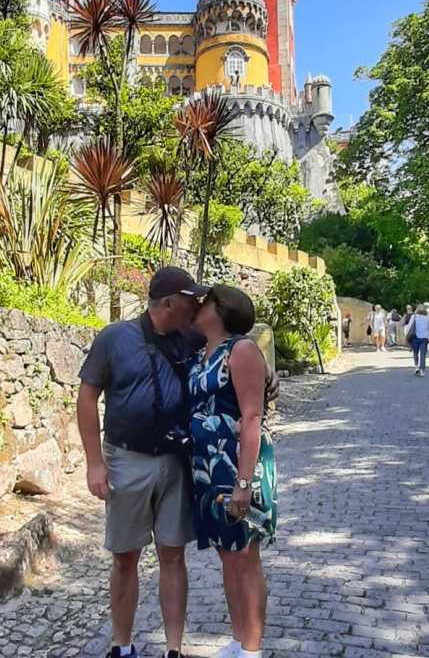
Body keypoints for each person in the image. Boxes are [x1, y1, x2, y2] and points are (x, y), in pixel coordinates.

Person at [77, 267, 210, 658]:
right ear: (169, 302)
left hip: (175, 462)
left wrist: (264, 374)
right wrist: (93, 463)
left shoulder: (192, 337)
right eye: (190, 299)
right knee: (125, 557)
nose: (197, 306)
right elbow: (87, 399)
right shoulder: (115, 338)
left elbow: (234, 346)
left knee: (172, 554)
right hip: (126, 460)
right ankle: (122, 646)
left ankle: (174, 649)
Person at [187, 285, 277, 658]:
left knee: (246, 557)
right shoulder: (200, 353)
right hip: (208, 469)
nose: (197, 306)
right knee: (227, 555)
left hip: (238, 465)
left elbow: (252, 415)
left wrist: (244, 484)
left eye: (204, 301)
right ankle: (239, 640)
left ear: (220, 309)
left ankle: (252, 650)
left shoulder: (239, 350)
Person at [406, 304, 429, 376]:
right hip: (424, 338)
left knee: (415, 353)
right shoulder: (427, 318)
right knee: (423, 354)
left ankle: (416, 367)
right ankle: (422, 370)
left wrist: (407, 335)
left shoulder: (414, 317)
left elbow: (409, 326)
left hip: (415, 337)